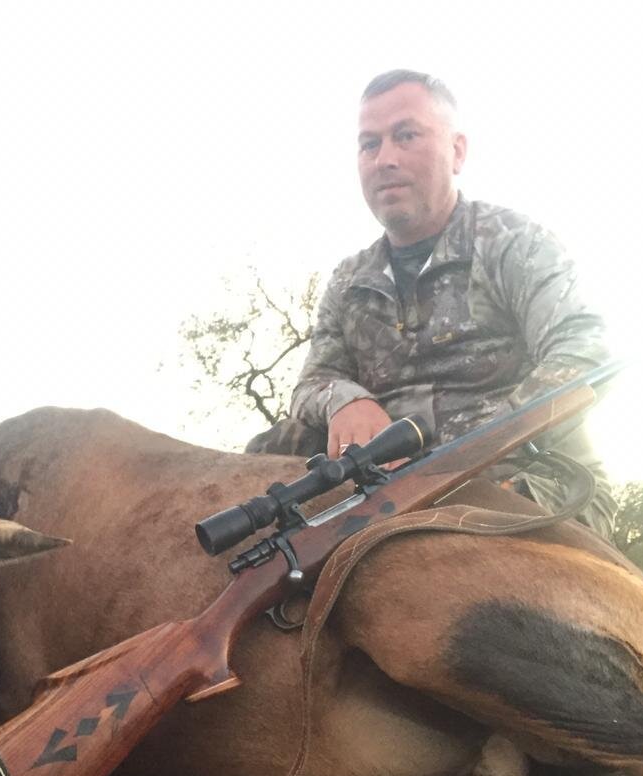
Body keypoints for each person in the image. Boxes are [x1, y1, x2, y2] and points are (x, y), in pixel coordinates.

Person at [248, 69, 616, 540]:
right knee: (266, 459)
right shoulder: (348, 280)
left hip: (525, 470)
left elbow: (586, 351)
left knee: (449, 551)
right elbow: (311, 384)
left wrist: (463, 447)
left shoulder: (514, 244)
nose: (385, 159)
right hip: (384, 478)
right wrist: (347, 402)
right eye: (369, 144)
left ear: (457, 151)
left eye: (406, 136)